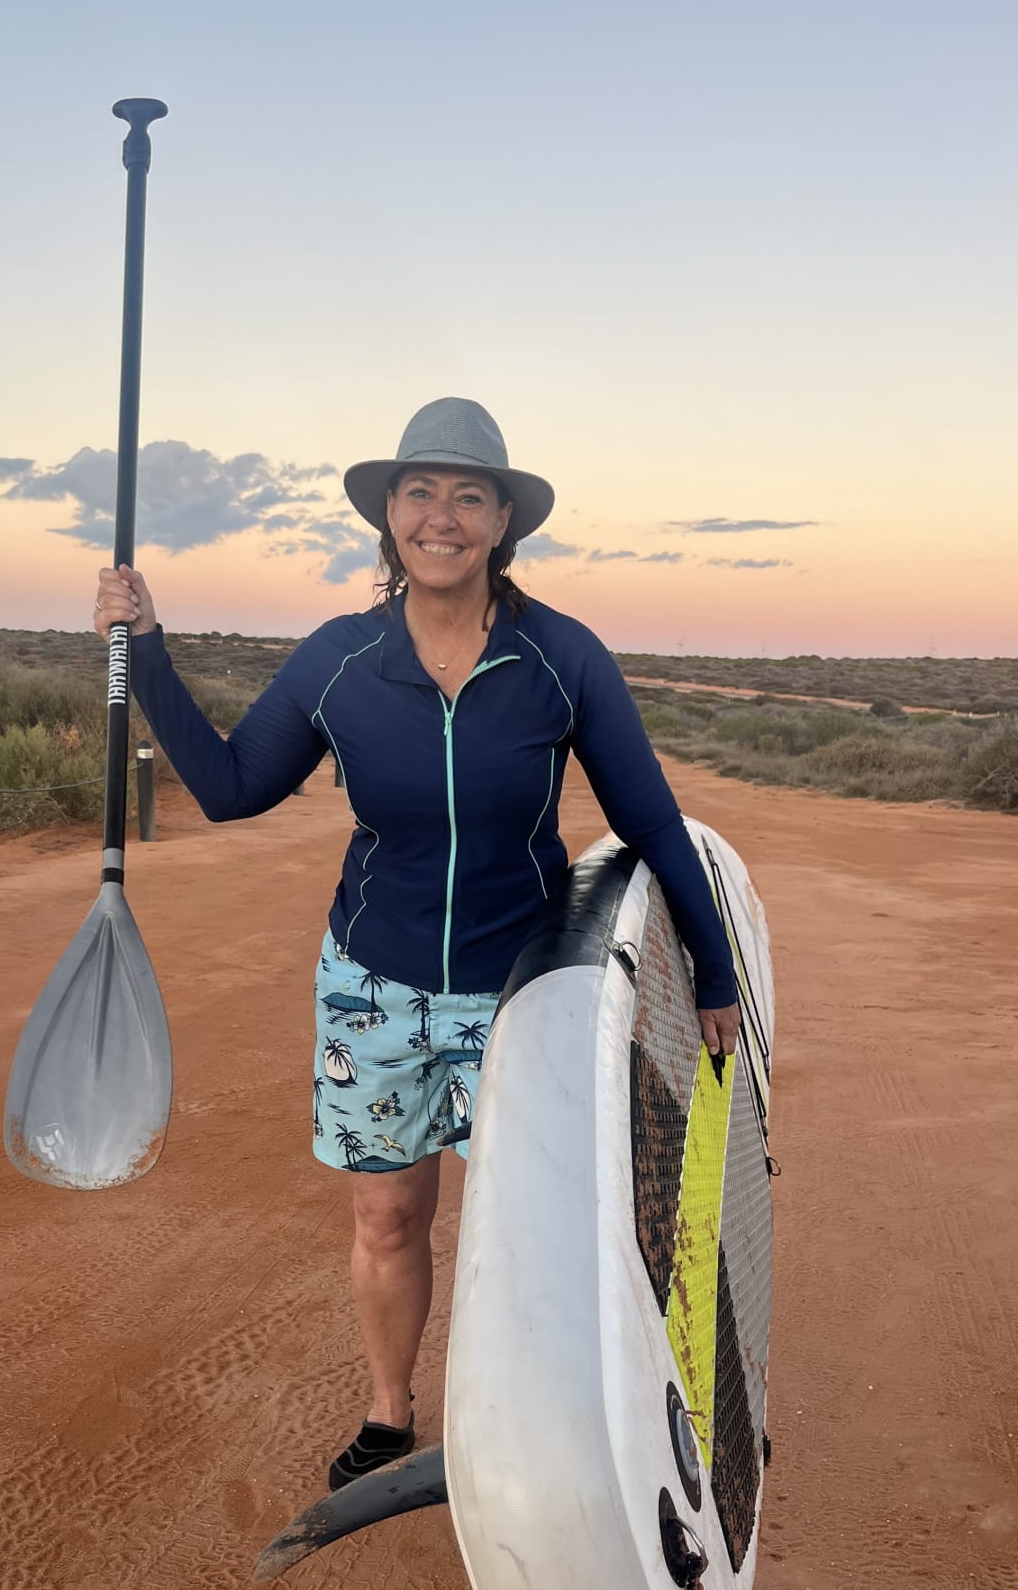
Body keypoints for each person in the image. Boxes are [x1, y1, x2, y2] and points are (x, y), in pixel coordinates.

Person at [93, 398, 739, 1490]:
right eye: (420, 494)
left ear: (500, 523)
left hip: (519, 993)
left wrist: (716, 975)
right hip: (372, 991)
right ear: (389, 519)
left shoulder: (560, 659)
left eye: (467, 496)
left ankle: (535, 1426)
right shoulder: (341, 661)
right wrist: (145, 650)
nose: (441, 516)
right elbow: (232, 788)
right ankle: (392, 1420)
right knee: (389, 1216)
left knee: (527, 1230)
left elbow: (650, 822)